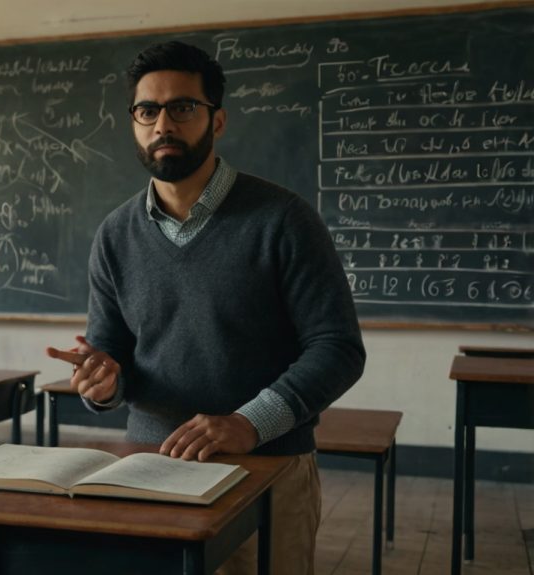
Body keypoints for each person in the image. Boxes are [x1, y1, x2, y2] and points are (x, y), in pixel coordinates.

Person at [43, 40, 366, 575]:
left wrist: (248, 423)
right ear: (134, 123)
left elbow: (338, 348)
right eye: (147, 111)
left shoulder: (283, 220)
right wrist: (103, 384)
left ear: (217, 122)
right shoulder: (114, 234)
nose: (162, 124)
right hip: (152, 467)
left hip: (268, 467)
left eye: (183, 107)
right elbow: (113, 354)